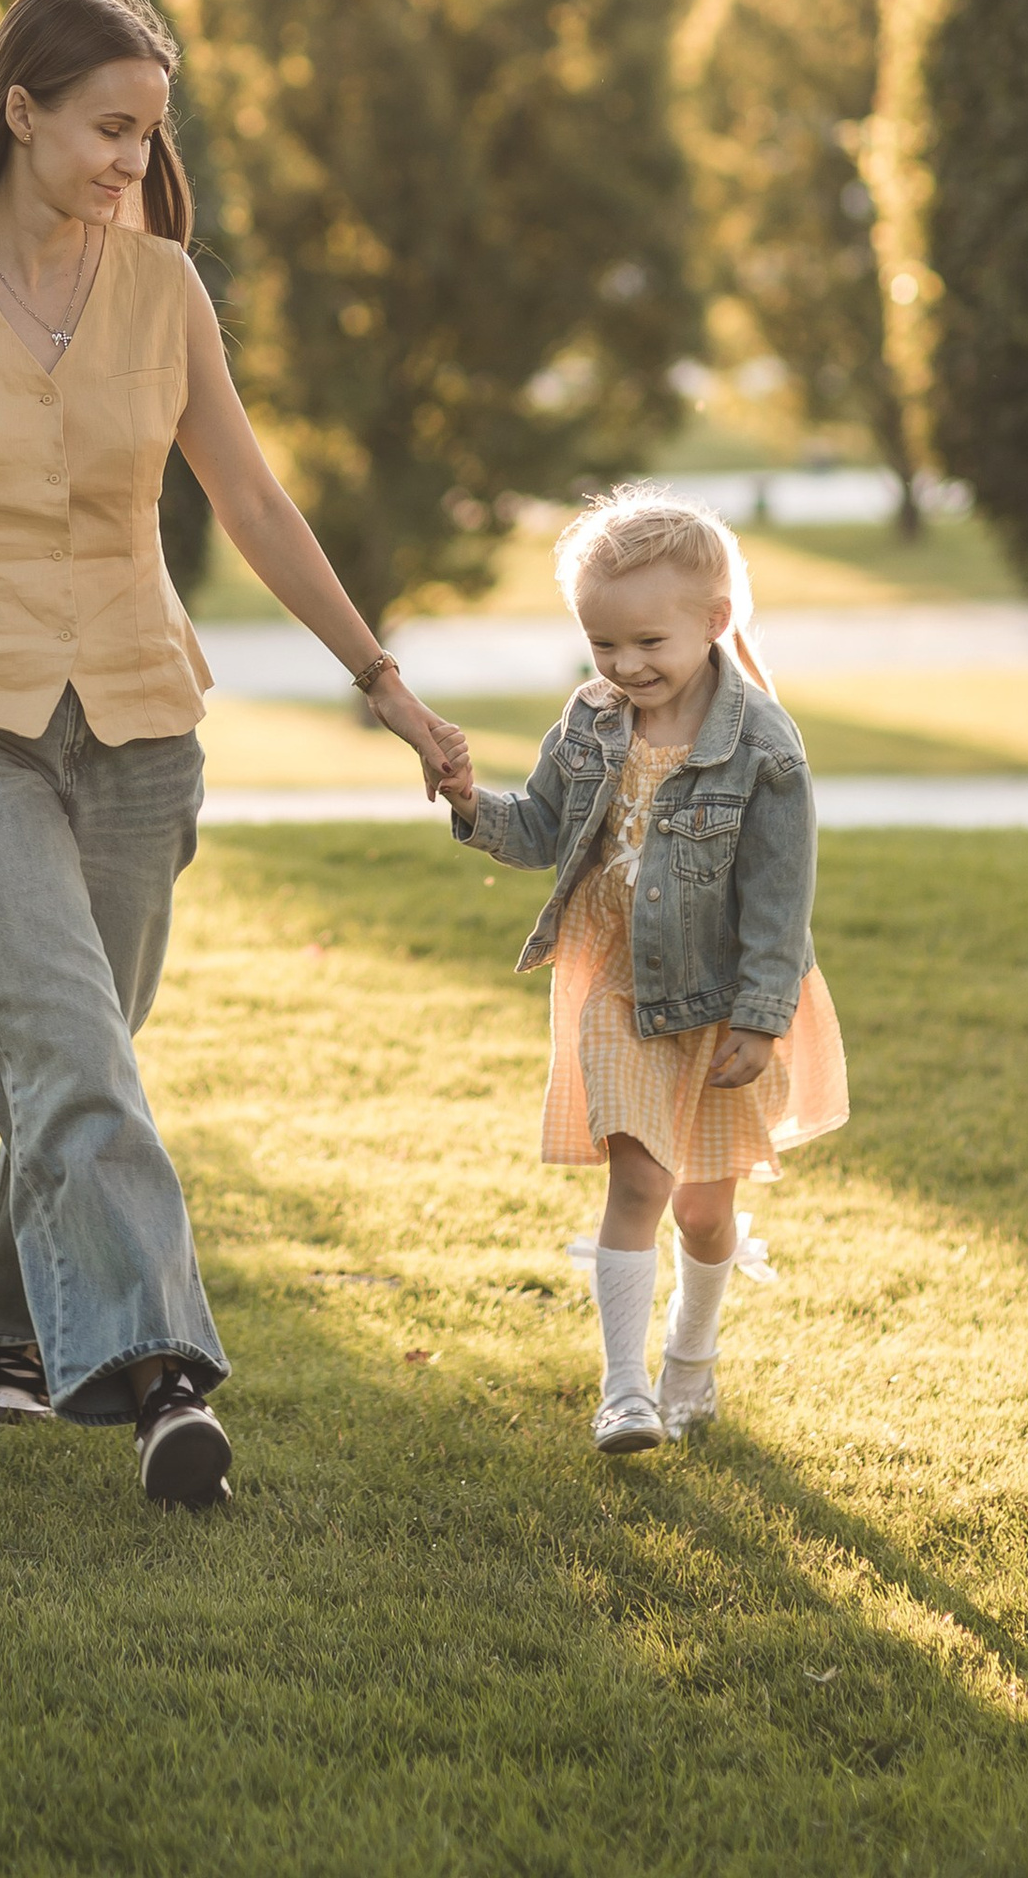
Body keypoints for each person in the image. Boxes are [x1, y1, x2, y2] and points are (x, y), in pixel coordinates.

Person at [0, 0, 466, 1511]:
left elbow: (251, 499)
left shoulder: (164, 290)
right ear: (21, 111)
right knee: (69, 1049)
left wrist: (385, 686)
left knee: (78, 1057)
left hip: (141, 723)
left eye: (148, 135)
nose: (132, 160)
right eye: (107, 128)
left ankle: (12, 1326)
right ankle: (162, 1380)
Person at [434, 486, 848, 1453]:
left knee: (704, 1211)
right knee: (637, 1184)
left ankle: (689, 1357)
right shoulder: (590, 721)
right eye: (603, 643)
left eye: (648, 643)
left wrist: (762, 1015)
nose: (625, 665)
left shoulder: (764, 746)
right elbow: (543, 829)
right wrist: (470, 802)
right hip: (618, 986)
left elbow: (781, 897)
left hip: (721, 1000)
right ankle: (624, 1390)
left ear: (714, 621)